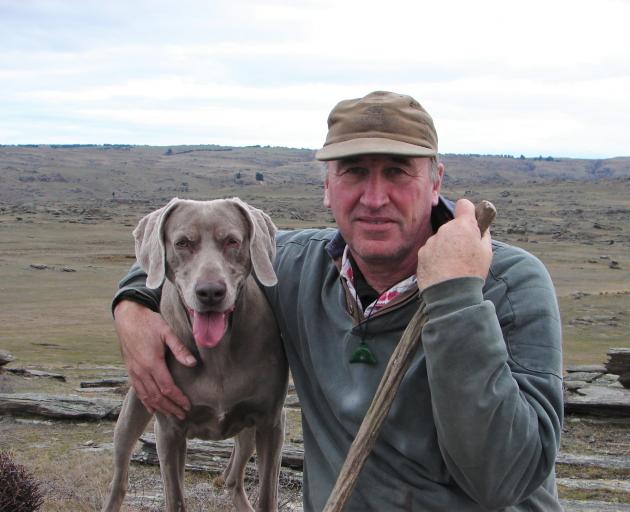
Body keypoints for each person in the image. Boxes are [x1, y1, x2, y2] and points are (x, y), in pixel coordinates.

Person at [112, 91, 563, 511]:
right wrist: (132, 308)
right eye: (353, 171)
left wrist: (456, 296)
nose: (374, 197)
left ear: (435, 181)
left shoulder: (510, 282)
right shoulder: (296, 267)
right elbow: (185, 256)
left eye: (397, 170)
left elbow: (505, 479)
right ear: (328, 186)